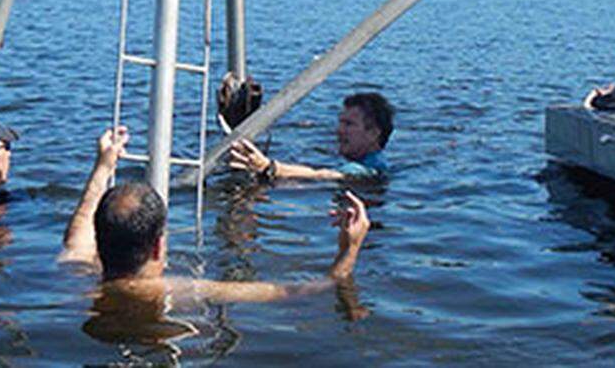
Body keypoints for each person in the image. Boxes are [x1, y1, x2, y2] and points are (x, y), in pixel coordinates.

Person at [60, 126, 370, 303]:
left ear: (100, 240)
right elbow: (293, 291)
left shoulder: (74, 271)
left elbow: (80, 231)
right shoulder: (177, 290)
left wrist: (103, 167)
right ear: (157, 247)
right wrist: (349, 250)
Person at [229, 91, 394, 181]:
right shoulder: (375, 162)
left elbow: (324, 175)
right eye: (341, 123)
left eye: (349, 124)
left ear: (373, 133)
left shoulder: (364, 169)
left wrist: (269, 167)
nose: (339, 130)